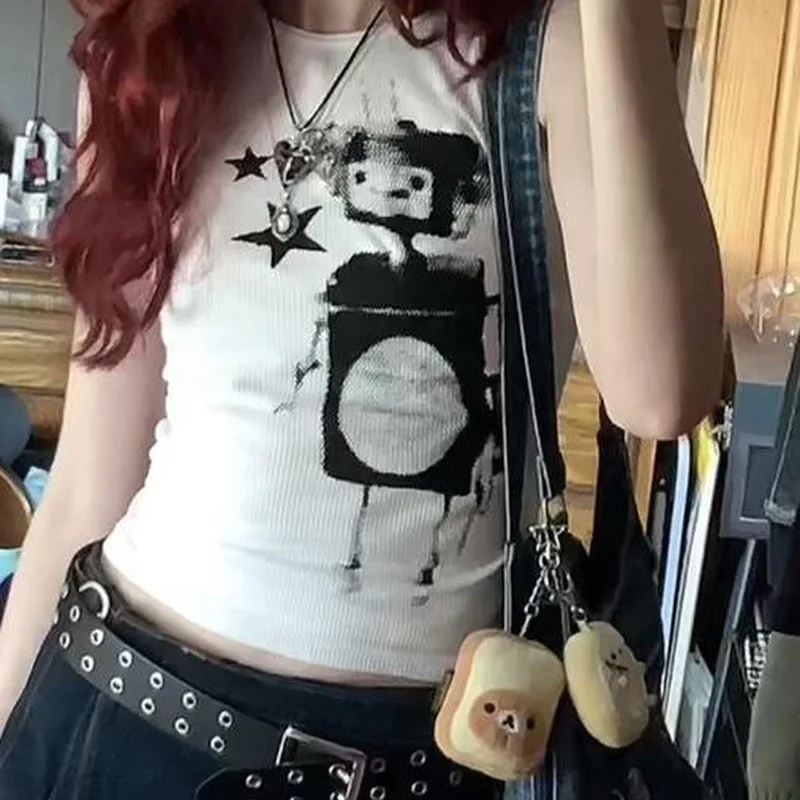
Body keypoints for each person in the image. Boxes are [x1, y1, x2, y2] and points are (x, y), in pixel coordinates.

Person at [0, 0, 723, 798]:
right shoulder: (155, 49)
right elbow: (87, 489)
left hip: (412, 761)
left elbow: (661, 396)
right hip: (114, 709)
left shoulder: (543, 50)